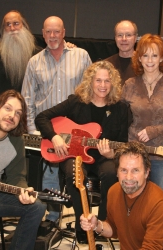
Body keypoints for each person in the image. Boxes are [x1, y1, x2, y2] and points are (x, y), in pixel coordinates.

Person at [35, 60, 131, 244]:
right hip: (76, 154)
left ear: (113, 84)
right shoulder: (76, 102)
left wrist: (113, 154)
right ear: (90, 82)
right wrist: (54, 136)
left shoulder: (120, 109)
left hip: (104, 157)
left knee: (112, 173)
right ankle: (82, 224)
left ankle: (103, 224)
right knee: (74, 173)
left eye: (107, 81)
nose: (102, 86)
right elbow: (42, 118)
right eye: (98, 80)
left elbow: (123, 142)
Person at [21, 16, 91, 224]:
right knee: (49, 172)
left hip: (76, 129)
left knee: (73, 173)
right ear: (42, 34)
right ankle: (52, 217)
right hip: (47, 128)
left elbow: (91, 89)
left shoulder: (81, 55)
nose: (53, 36)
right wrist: (34, 129)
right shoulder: (34, 62)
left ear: (64, 32)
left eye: (57, 31)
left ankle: (81, 220)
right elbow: (27, 98)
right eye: (48, 32)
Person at [121, 33, 163, 240]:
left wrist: (154, 130)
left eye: (154, 55)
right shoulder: (130, 85)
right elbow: (121, 120)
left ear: (162, 58)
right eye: (145, 56)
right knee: (132, 208)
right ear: (139, 59)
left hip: (161, 156)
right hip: (134, 158)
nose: (150, 60)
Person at [0, 90, 46, 250]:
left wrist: (23, 191)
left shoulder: (16, 141)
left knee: (37, 207)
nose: (12, 115)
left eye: (18, 113)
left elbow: (17, 177)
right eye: (7, 108)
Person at [80, 141, 163, 249]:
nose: (129, 177)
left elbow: (151, 247)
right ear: (116, 172)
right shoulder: (113, 191)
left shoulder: (158, 202)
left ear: (146, 172)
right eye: (123, 170)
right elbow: (113, 229)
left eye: (135, 170)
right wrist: (97, 225)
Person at [0, 10, 38, 115]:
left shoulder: (37, 54)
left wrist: (69, 47)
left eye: (16, 23)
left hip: (24, 116)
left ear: (24, 26)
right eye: (8, 25)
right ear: (3, 30)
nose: (12, 28)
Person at [105, 20, 137, 85]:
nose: (124, 39)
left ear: (135, 38)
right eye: (120, 35)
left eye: (128, 35)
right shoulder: (106, 65)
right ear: (115, 38)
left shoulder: (145, 64)